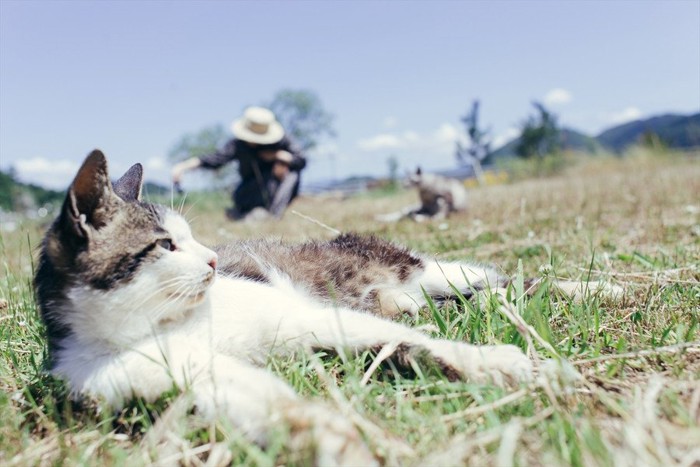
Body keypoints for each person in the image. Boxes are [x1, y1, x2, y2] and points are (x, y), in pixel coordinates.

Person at [171, 106, 307, 220]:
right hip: (248, 192)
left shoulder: (281, 142)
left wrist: (280, 156)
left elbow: (302, 160)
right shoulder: (238, 145)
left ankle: (273, 217)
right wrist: (183, 166)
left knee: (293, 173)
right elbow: (215, 159)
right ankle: (244, 213)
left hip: (274, 191)